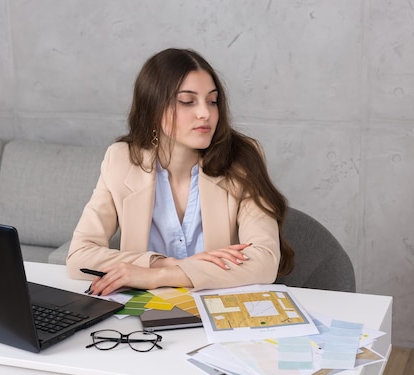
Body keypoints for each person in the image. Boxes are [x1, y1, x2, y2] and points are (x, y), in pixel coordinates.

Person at [66, 48, 294, 296]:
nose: (205, 113)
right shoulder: (120, 160)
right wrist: (159, 262)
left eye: (212, 100)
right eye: (187, 101)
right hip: (147, 307)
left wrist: (160, 276)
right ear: (153, 108)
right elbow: (79, 255)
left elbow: (264, 261)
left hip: (217, 304)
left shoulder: (242, 158)